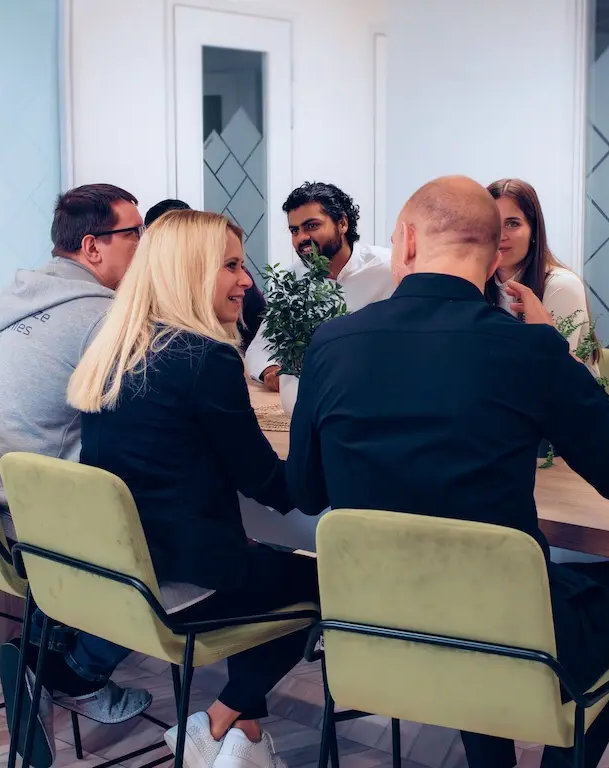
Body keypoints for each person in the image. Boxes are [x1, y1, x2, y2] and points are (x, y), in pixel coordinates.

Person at [286, 175, 609, 768]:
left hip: (374, 630)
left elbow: (306, 493)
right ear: (493, 263)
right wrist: (555, 356)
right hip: (509, 639)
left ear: (406, 243)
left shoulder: (331, 345)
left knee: (474, 598)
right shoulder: (528, 350)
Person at [66, 209, 317, 768]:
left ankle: (235, 730)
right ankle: (221, 719)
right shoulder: (204, 358)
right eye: (230, 266)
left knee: (269, 563)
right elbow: (269, 485)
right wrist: (324, 456)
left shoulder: (118, 348)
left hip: (126, 571)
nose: (246, 280)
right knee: (326, 579)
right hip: (184, 580)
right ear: (190, 271)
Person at [0, 183, 151, 767]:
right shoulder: (102, 317)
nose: (144, 245)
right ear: (92, 246)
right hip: (23, 520)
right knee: (165, 538)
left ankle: (50, 643)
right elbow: (142, 421)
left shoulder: (18, 294)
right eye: (134, 234)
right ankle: (73, 670)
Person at [244, 181, 394, 391]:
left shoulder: (391, 270)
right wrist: (271, 371)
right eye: (294, 230)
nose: (302, 238)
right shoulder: (292, 280)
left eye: (312, 226)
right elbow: (260, 347)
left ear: (342, 223)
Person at [486, 178, 601, 378]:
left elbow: (551, 375)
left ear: (533, 230)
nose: (501, 235)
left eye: (512, 224)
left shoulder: (561, 286)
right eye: (493, 224)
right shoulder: (478, 286)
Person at [144, 198, 268, 349]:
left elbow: (260, 326)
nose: (246, 280)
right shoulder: (206, 355)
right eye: (231, 265)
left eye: (240, 265)